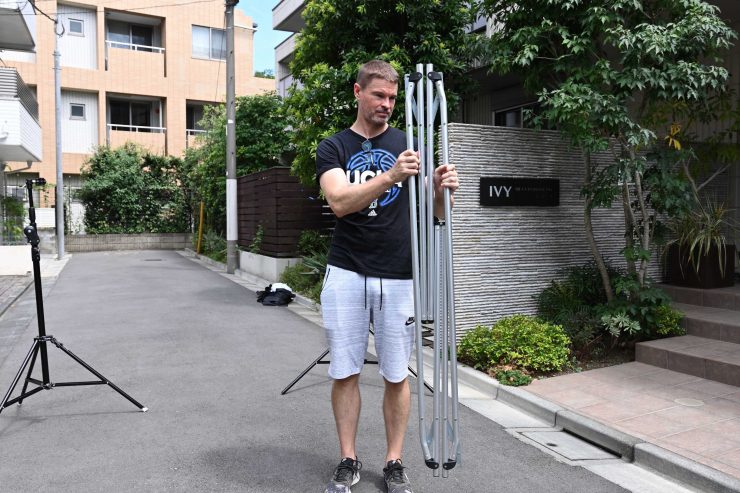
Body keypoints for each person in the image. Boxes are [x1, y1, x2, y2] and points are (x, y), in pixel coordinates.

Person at [316, 60, 459, 493]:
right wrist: (392, 174)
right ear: (357, 92)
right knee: (345, 371)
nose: (387, 104)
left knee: (397, 374)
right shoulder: (334, 146)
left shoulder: (409, 144)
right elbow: (340, 202)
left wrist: (442, 191)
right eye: (379, 95)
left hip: (399, 274)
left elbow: (434, 213)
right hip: (347, 271)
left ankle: (394, 461)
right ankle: (348, 458)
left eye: (393, 98)